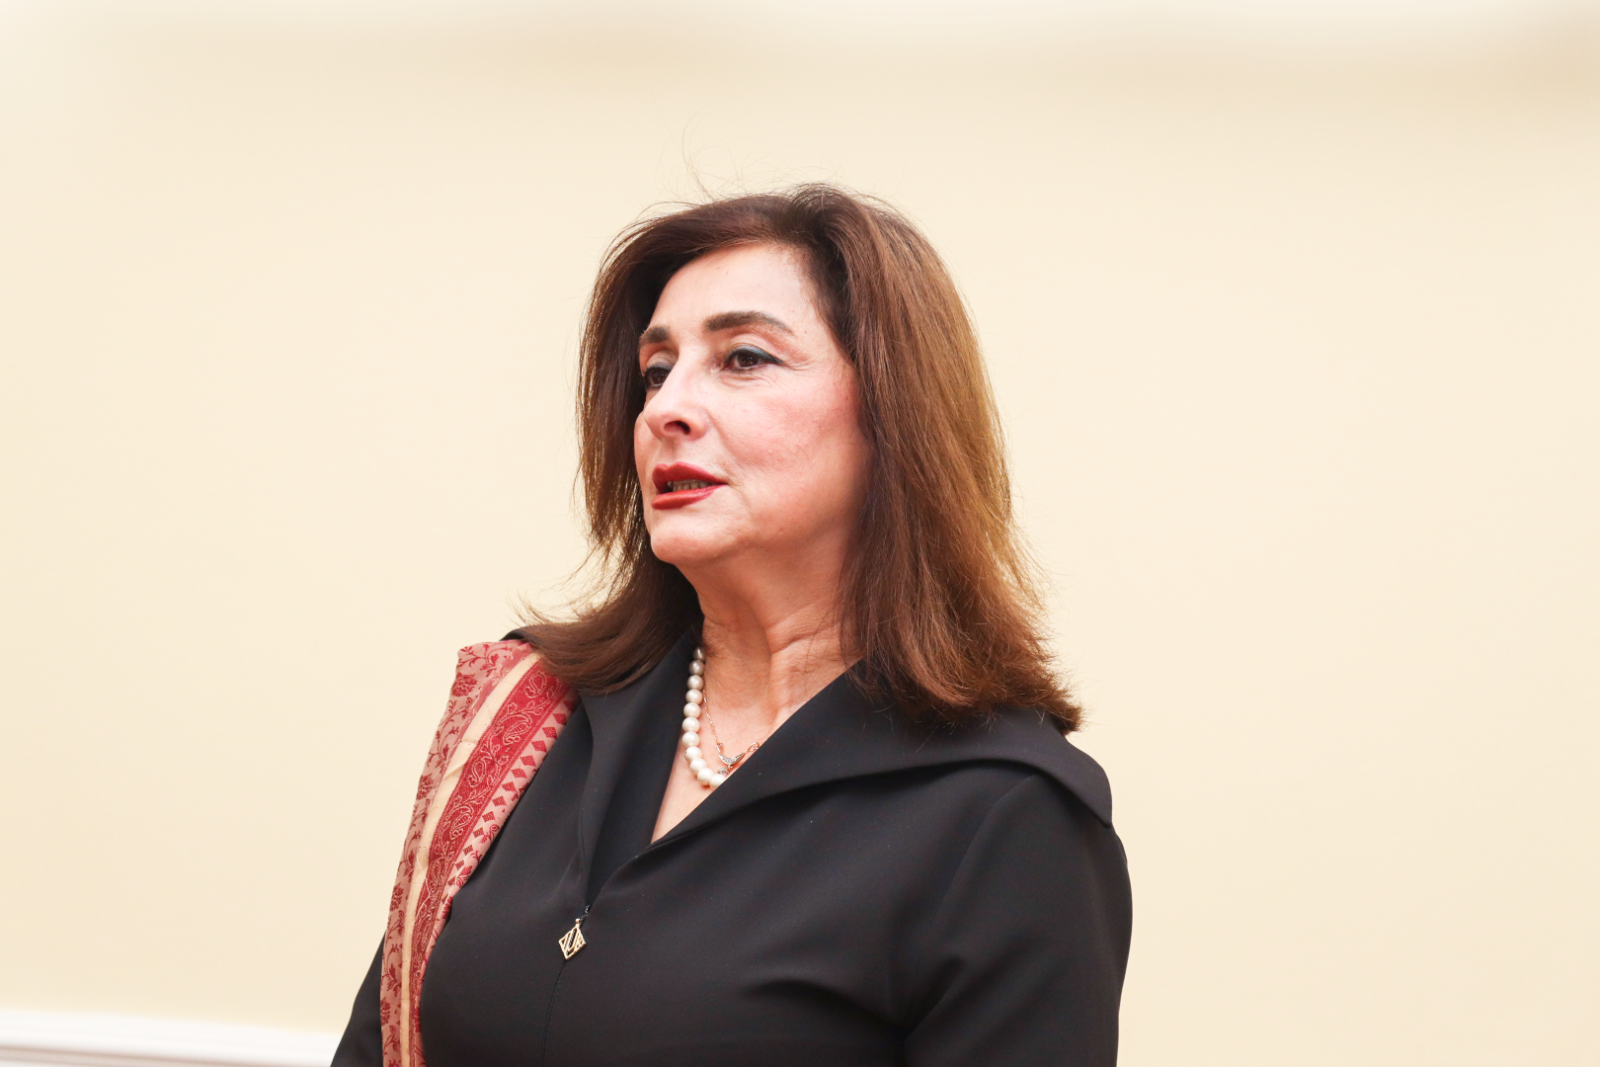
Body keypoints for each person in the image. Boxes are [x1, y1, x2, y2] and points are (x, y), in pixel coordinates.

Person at [330, 185, 1132, 1067]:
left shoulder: (1010, 815)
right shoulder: (527, 712)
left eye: (744, 358)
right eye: (656, 370)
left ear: (892, 414)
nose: (666, 408)